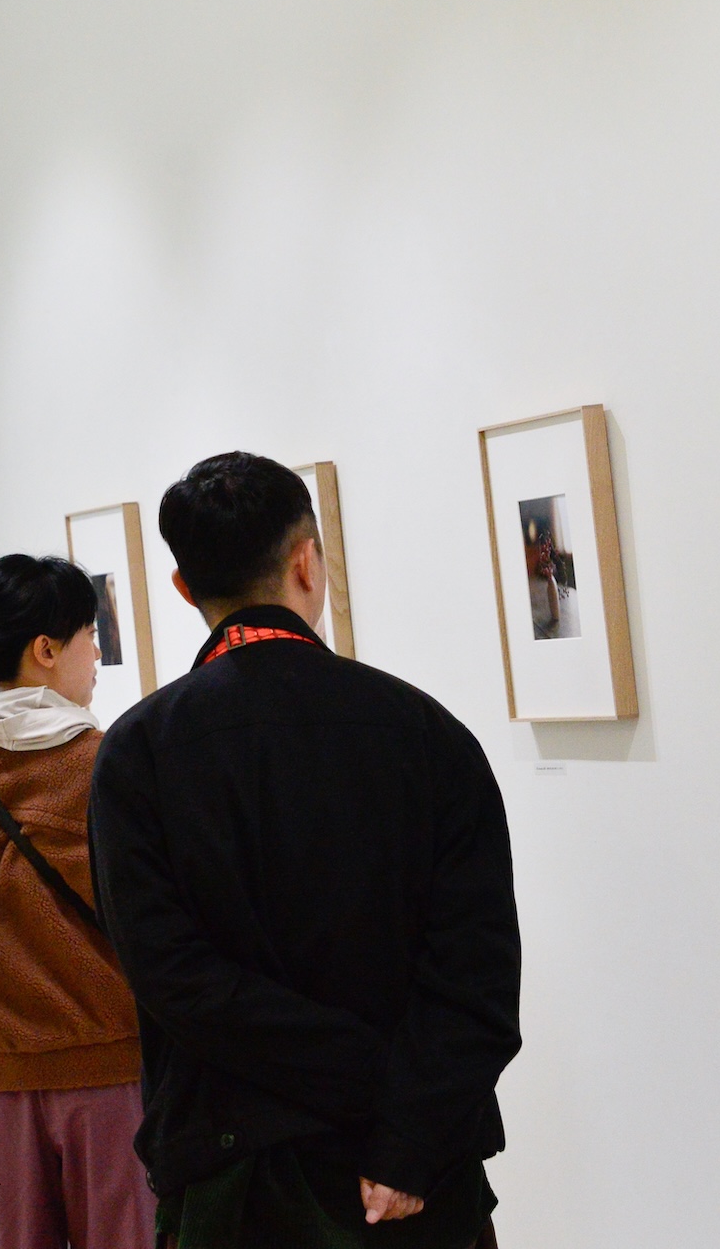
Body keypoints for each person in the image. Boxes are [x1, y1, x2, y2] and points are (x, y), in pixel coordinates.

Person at [88, 453, 522, 1247]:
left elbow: (174, 976)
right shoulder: (426, 733)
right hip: (420, 1176)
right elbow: (478, 973)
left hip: (236, 1179)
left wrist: (364, 1076)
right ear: (307, 563)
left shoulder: (139, 753)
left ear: (183, 588)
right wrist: (403, 1117)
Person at [0, 555, 157, 1249]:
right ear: (46, 649)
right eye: (89, 635)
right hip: (113, 1078)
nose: (96, 654)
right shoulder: (111, 771)